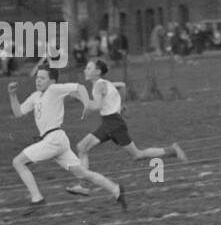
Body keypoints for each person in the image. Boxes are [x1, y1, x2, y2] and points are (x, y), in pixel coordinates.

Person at [8, 66, 125, 214]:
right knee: (83, 174)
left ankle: (37, 198)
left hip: (54, 139)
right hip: (57, 141)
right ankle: (116, 190)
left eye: (42, 78)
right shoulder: (35, 96)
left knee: (18, 162)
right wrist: (12, 95)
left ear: (52, 81)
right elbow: (18, 112)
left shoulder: (54, 89)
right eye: (37, 77)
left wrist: (87, 103)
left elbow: (80, 86)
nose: (38, 80)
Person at [64, 58, 188, 195]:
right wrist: (119, 106)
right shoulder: (104, 83)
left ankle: (172, 150)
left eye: (88, 68)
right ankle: (83, 185)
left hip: (114, 124)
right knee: (82, 147)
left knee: (138, 155)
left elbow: (97, 106)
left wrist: (81, 98)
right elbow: (122, 86)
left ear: (97, 72)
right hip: (109, 123)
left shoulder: (99, 85)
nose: (85, 70)